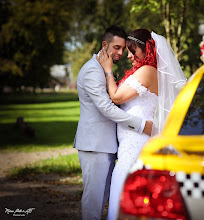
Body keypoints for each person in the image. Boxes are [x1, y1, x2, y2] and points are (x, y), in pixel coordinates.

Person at [97, 29, 187, 220]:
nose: (129, 56)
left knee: (124, 190)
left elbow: (116, 96)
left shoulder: (148, 71)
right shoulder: (145, 71)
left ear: (148, 49)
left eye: (132, 51)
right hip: (131, 140)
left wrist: (107, 70)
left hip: (136, 142)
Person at [73, 26, 153, 220]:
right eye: (116, 47)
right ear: (104, 44)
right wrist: (141, 125)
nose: (120, 53)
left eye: (123, 49)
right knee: (93, 203)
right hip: (95, 145)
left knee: (105, 200)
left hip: (109, 146)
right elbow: (107, 108)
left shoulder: (105, 68)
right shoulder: (93, 70)